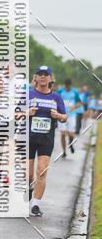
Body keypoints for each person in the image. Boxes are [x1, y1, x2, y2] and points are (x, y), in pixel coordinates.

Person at [26, 66, 67, 216]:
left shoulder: (56, 97)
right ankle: (30, 187)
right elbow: (15, 113)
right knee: (28, 175)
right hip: (28, 139)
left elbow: (65, 117)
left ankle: (35, 205)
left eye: (46, 75)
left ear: (51, 78)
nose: (43, 77)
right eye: (40, 74)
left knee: (41, 171)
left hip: (46, 139)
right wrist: (27, 112)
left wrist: (58, 116)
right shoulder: (28, 94)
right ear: (35, 78)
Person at [57, 78, 80, 158]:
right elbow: (56, 100)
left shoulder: (75, 91)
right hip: (62, 115)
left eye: (69, 86)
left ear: (71, 85)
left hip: (72, 115)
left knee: (71, 134)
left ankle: (70, 144)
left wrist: (74, 106)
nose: (68, 88)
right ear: (65, 85)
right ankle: (64, 151)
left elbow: (79, 102)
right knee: (63, 133)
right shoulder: (60, 91)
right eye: (67, 87)